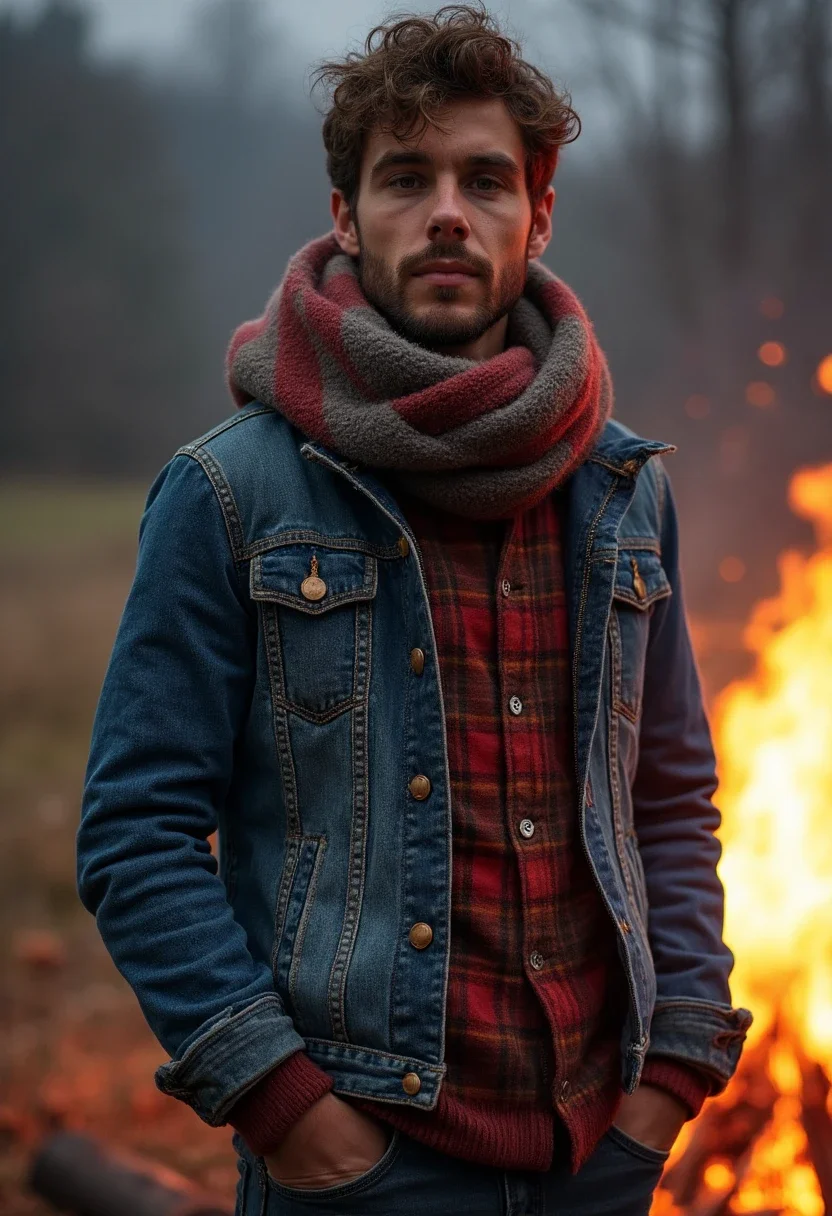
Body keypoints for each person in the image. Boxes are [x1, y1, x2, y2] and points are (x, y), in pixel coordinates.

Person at [76, 5, 752, 1214]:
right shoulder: (230, 494)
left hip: (595, 1151)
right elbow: (136, 832)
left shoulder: (621, 489)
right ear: (345, 215)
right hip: (362, 1159)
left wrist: (677, 1063)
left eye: (485, 179)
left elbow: (668, 795)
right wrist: (286, 1112)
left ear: (537, 216)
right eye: (407, 177)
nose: (448, 210)